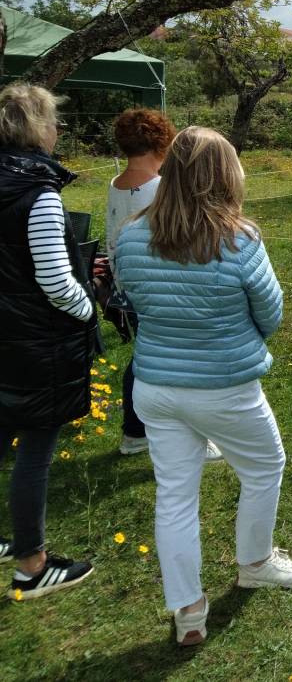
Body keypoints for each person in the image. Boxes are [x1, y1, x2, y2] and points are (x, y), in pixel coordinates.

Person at [115, 126, 292, 646]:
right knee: (265, 465)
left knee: (175, 496)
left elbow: (131, 294)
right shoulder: (239, 239)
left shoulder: (133, 235)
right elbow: (270, 313)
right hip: (223, 384)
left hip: (155, 384)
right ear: (226, 175)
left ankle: (188, 610)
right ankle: (254, 562)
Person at [0, 83, 98, 599]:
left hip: (3, 330)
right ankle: (32, 564)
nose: (59, 131)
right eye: (54, 122)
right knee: (35, 447)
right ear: (37, 127)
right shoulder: (36, 192)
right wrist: (86, 310)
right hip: (36, 338)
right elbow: (56, 278)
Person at [104, 108, 224, 464]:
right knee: (184, 364)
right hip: (166, 288)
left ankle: (134, 432)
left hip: (129, 286)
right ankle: (193, 441)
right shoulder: (162, 188)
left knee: (145, 357)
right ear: (162, 141)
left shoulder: (116, 184)